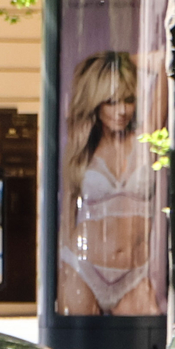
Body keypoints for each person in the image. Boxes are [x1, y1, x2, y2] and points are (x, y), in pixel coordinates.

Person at [56, 51, 163, 316]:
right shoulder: (82, 149)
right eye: (112, 102)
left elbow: (164, 63)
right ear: (96, 103)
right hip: (82, 269)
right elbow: (67, 214)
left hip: (134, 275)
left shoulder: (146, 141)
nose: (122, 110)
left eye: (129, 100)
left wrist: (122, 59)